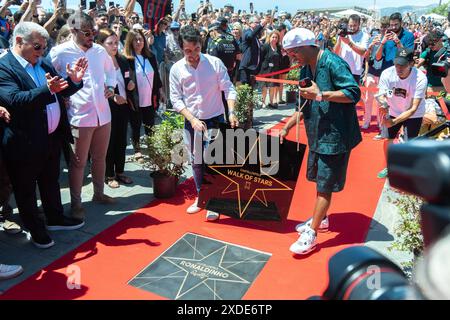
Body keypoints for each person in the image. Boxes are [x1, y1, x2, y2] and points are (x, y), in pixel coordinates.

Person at [0, 22, 87, 248]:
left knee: (50, 181)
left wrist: (74, 80)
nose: (42, 52)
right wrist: (48, 89)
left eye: (44, 47)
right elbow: (16, 101)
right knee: (26, 188)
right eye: (38, 46)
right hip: (24, 142)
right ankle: (34, 227)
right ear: (19, 41)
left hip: (50, 137)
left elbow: (58, 88)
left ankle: (55, 217)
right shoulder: (4, 67)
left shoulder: (42, 62)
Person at [280, 28, 362, 255]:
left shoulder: (334, 63)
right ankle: (322, 218)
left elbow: (354, 93)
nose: (291, 57)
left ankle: (312, 233)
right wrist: (288, 124)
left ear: (307, 46)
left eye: (294, 52)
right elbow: (306, 102)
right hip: (318, 132)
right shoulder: (306, 66)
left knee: (324, 186)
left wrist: (321, 94)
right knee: (318, 178)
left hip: (336, 135)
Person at [50, 12, 117, 220]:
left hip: (103, 115)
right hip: (79, 117)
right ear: (73, 31)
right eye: (87, 33)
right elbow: (49, 79)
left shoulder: (99, 50)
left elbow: (111, 71)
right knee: (78, 163)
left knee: (100, 158)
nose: (92, 37)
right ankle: (76, 203)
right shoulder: (59, 52)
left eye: (94, 32)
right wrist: (62, 97)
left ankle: (98, 194)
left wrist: (111, 87)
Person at [169, 26, 238, 221]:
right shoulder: (177, 69)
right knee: (197, 161)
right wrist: (192, 119)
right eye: (188, 51)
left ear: (201, 45)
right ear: (182, 49)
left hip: (215, 117)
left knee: (215, 161)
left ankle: (214, 200)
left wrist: (231, 112)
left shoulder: (215, 63)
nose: (193, 54)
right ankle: (202, 197)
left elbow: (228, 89)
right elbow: (176, 99)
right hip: (192, 121)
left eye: (196, 49)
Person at [376, 48, 427, 179]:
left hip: (414, 114)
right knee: (388, 140)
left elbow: (413, 108)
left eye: (403, 65)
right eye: (396, 64)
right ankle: (389, 166)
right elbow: (382, 95)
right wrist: (384, 104)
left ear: (411, 64)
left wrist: (393, 121)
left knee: (410, 144)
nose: (398, 68)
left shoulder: (420, 78)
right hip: (393, 109)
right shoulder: (387, 73)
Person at [97, 28, 135, 189]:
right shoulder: (98, 63)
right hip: (107, 107)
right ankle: (109, 174)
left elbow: (126, 79)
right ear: (101, 44)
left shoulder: (123, 60)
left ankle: (120, 171)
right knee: (109, 142)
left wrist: (130, 85)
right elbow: (98, 87)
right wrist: (113, 97)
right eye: (110, 43)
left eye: (116, 42)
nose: (114, 46)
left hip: (123, 106)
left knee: (121, 141)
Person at [123, 29, 162, 164]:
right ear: (130, 42)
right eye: (135, 40)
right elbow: (124, 77)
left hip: (150, 97)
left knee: (150, 124)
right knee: (135, 125)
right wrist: (128, 84)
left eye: (141, 39)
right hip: (135, 98)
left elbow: (156, 75)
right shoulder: (127, 59)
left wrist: (160, 91)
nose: (139, 42)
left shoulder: (150, 56)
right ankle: (137, 149)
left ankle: (151, 148)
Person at [334, 14, 370, 84]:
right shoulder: (343, 33)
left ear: (359, 24)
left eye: (355, 25)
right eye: (350, 25)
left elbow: (362, 52)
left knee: (353, 94)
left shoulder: (364, 35)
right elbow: (335, 52)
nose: (352, 28)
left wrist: (349, 43)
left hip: (355, 72)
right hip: (342, 70)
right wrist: (340, 39)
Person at [259, 30, 282, 109]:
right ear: (270, 37)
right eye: (273, 37)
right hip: (265, 70)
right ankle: (263, 102)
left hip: (275, 70)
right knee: (264, 87)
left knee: (272, 87)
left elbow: (280, 58)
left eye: (276, 37)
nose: (274, 39)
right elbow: (261, 57)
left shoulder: (278, 47)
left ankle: (271, 102)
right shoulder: (265, 46)